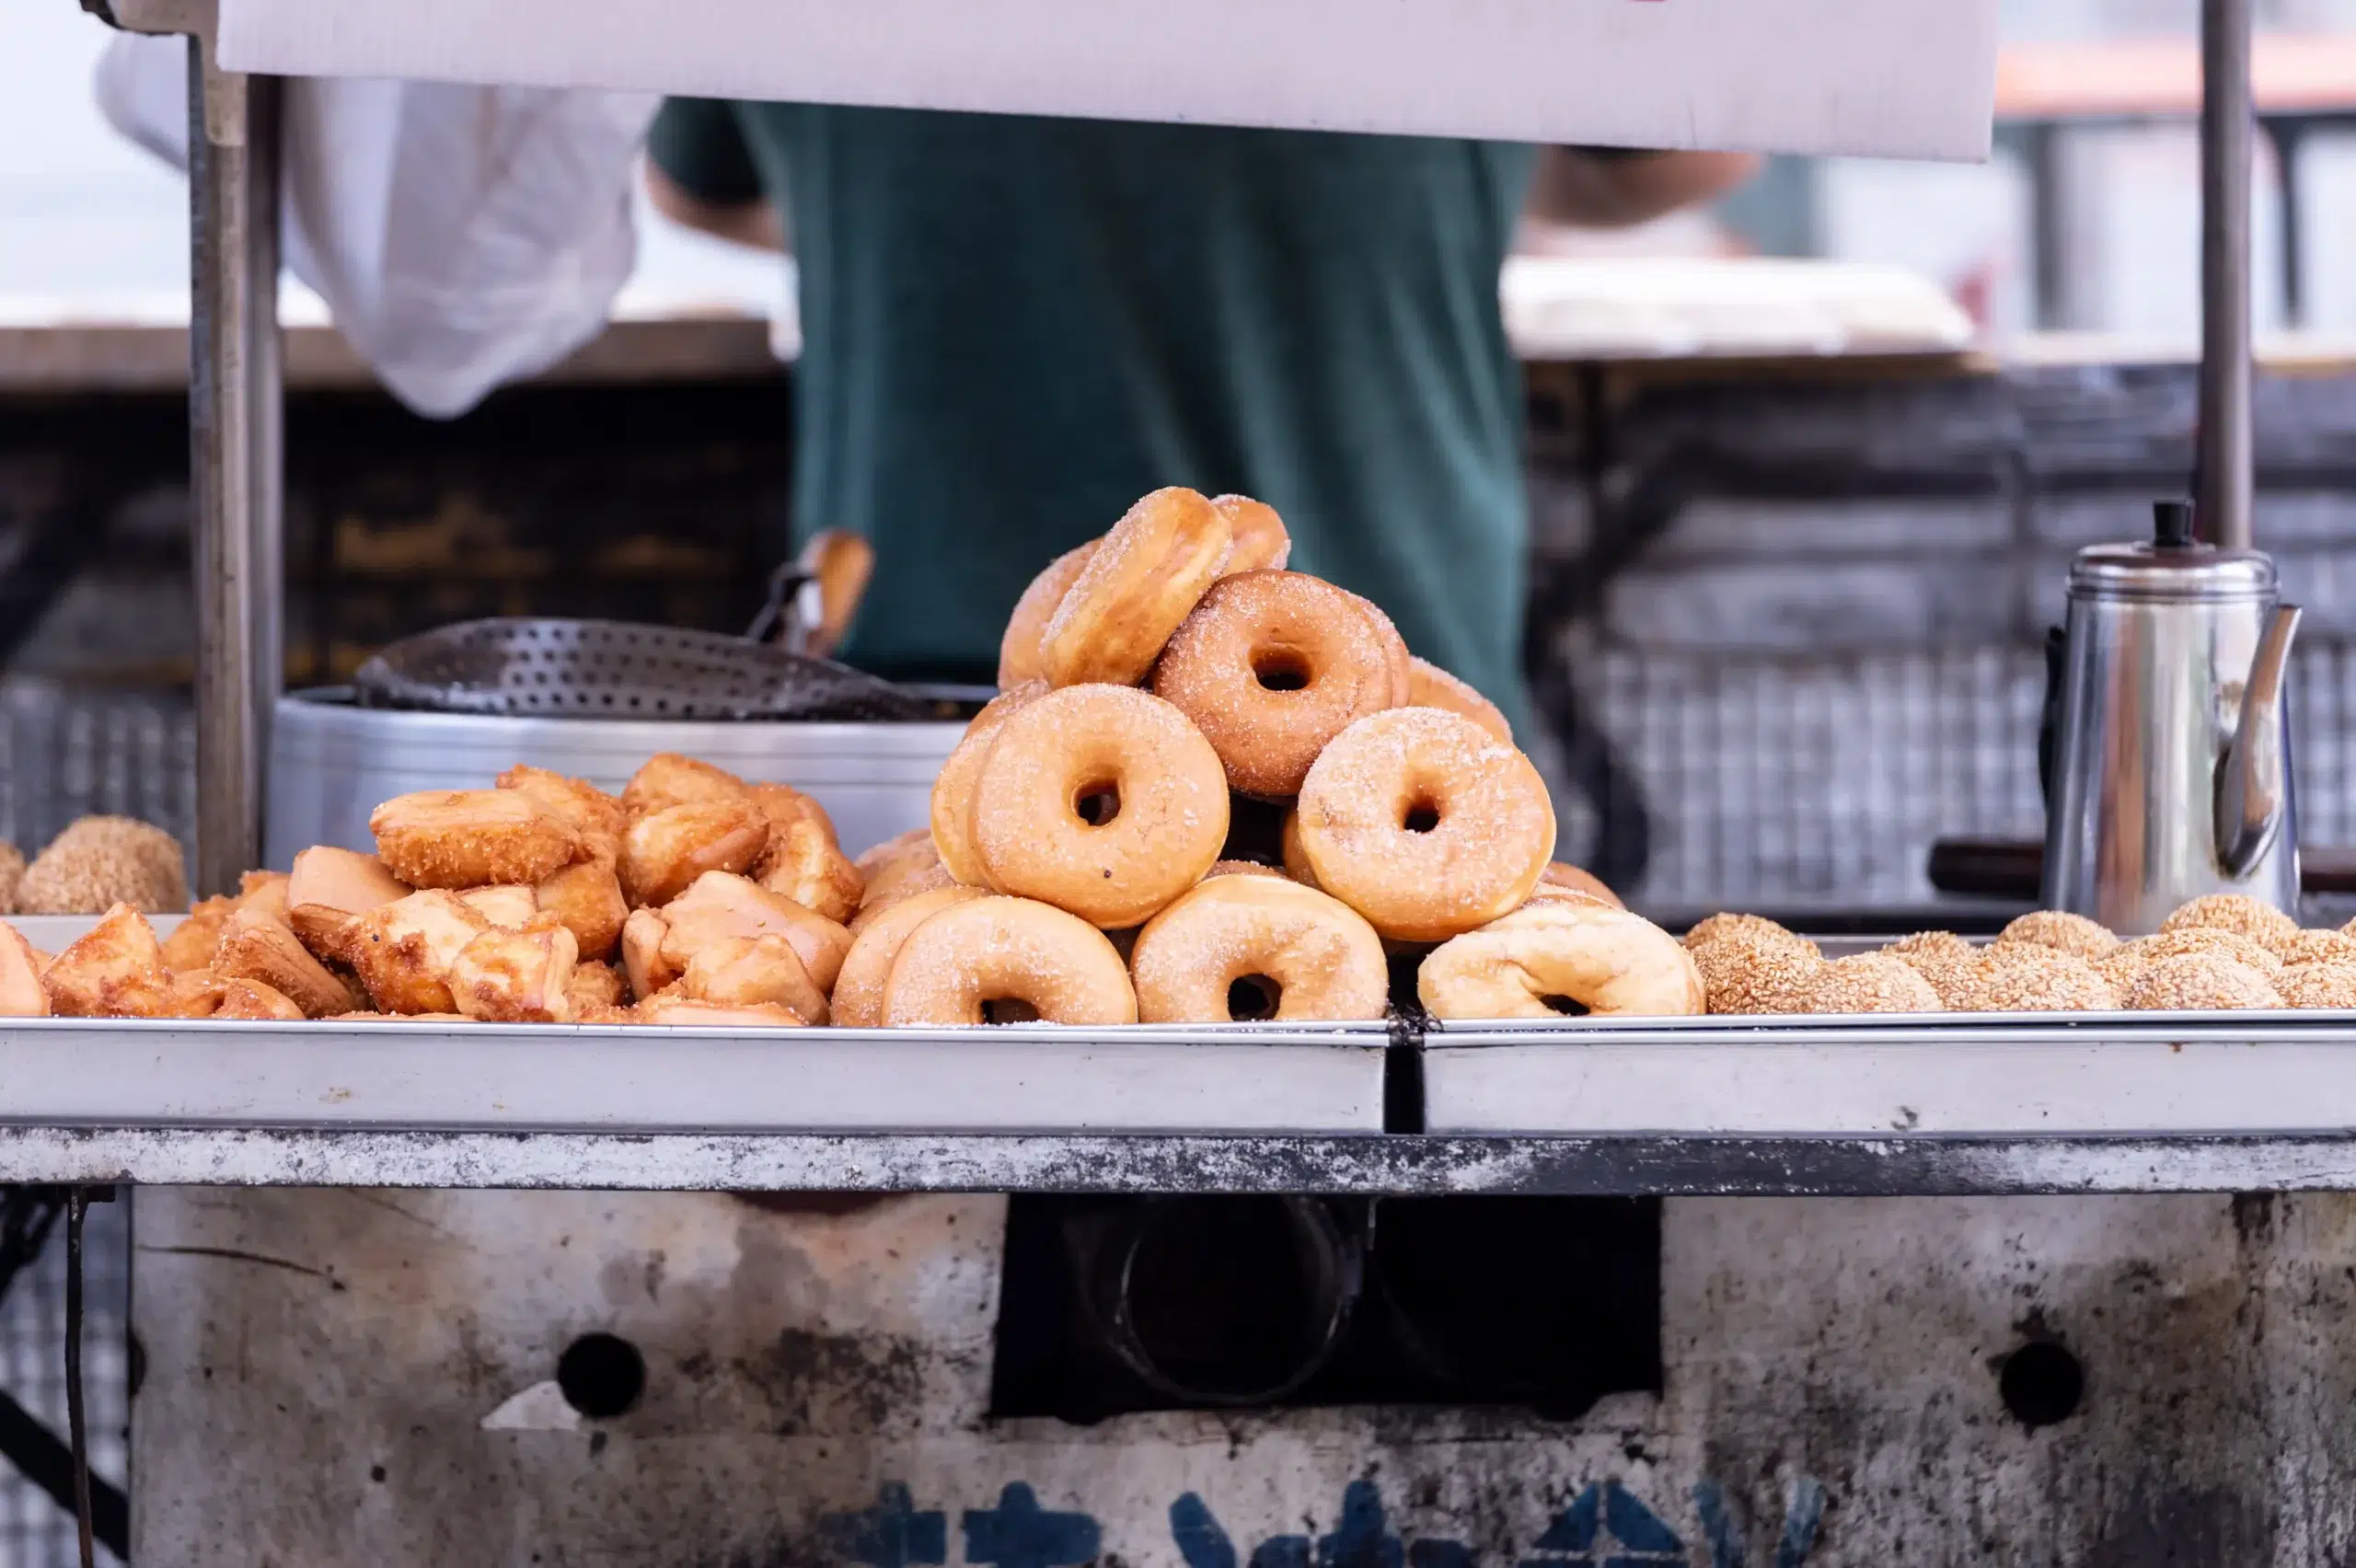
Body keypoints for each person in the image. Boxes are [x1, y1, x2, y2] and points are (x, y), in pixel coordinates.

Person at [643, 103, 1754, 734]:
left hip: (914, 670)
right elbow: (1698, 144)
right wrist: (1423, 163)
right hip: (1386, 653)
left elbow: (700, 187)